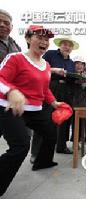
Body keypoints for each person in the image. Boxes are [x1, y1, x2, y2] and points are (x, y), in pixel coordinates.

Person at [0, 25, 63, 196]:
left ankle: (42, 162)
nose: (44, 41)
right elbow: (1, 78)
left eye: (46, 39)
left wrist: (54, 102)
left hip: (35, 110)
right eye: (39, 37)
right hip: (13, 108)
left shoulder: (46, 65)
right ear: (28, 39)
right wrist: (12, 91)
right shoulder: (16, 58)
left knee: (51, 132)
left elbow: (45, 89)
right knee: (20, 147)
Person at [43, 36, 79, 154]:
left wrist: (79, 78)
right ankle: (43, 149)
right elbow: (40, 67)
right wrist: (54, 70)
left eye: (69, 45)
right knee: (48, 117)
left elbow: (72, 78)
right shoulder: (50, 54)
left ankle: (61, 146)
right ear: (60, 45)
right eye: (64, 44)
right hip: (52, 87)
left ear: (72, 48)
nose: (67, 47)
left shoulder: (71, 62)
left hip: (67, 90)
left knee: (65, 117)